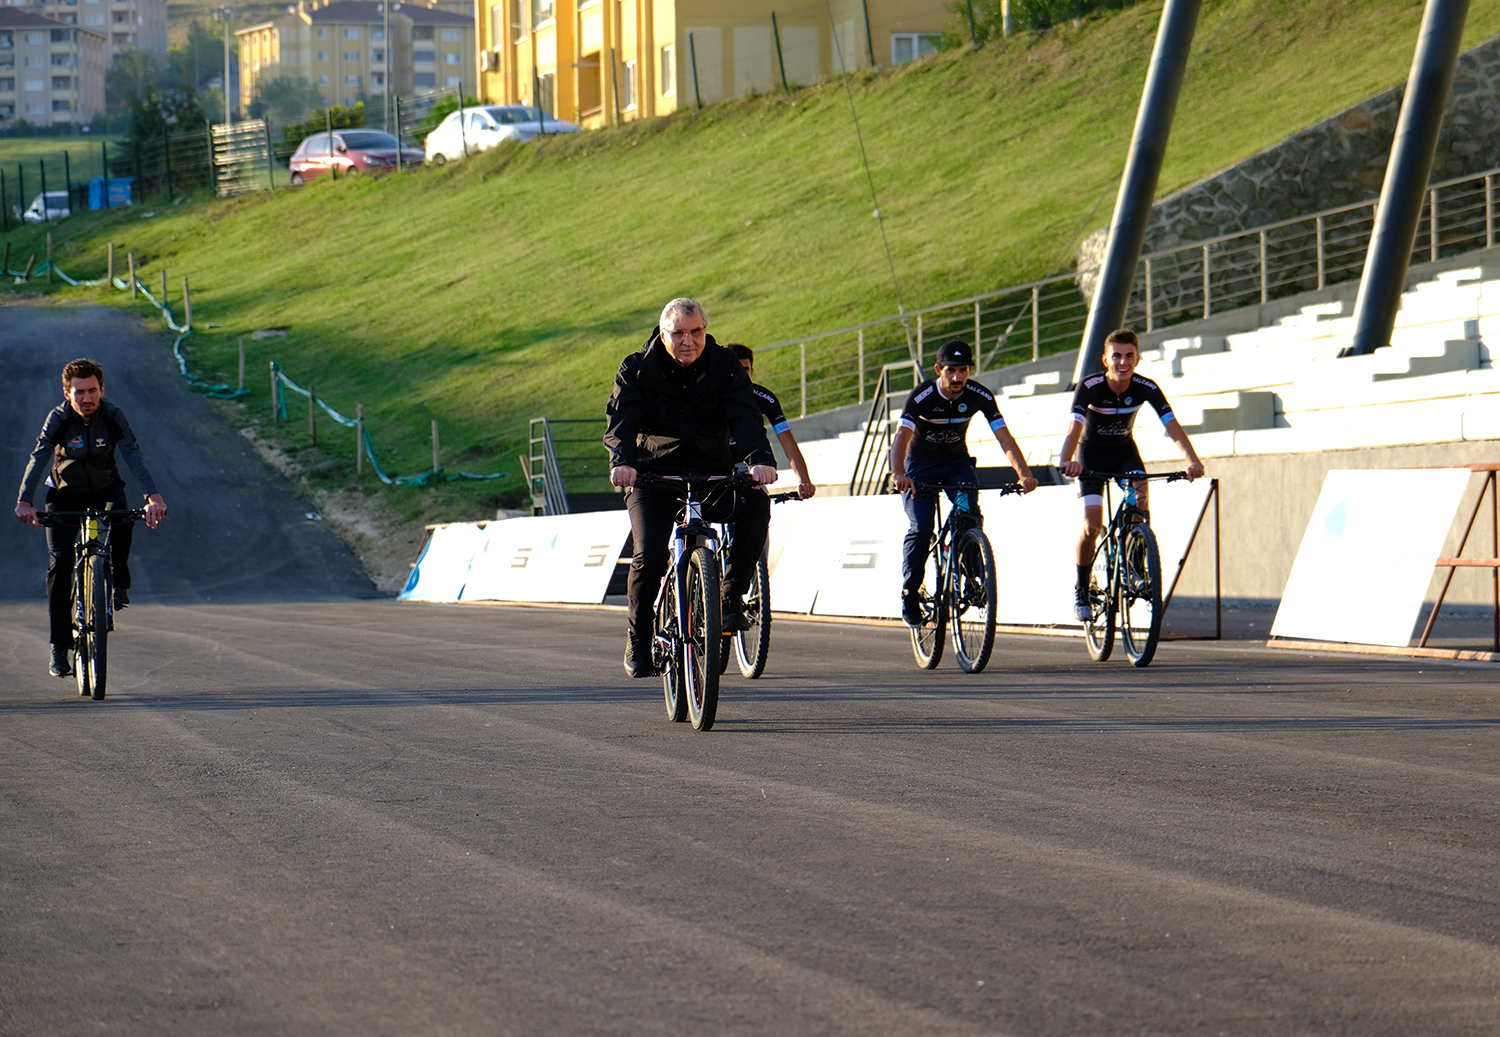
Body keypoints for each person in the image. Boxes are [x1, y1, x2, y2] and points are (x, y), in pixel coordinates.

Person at [605, 298, 778, 679]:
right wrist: (623, 462)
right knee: (649, 554)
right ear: (663, 333)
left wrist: (758, 458)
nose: (689, 341)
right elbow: (621, 420)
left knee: (755, 504)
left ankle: (730, 597)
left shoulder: (725, 365)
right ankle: (639, 635)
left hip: (711, 472)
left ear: (705, 330)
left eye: (696, 331)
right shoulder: (636, 368)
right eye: (679, 333)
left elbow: (744, 415)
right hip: (653, 476)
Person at [15, 358, 167, 678]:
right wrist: (25, 501)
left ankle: (119, 584)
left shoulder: (113, 416)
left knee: (124, 518)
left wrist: (153, 497)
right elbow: (40, 456)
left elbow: (133, 455)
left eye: (93, 391)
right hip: (64, 493)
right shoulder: (58, 419)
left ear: (102, 390)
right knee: (60, 566)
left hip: (104, 488)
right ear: (67, 393)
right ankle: (59, 647)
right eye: (80, 392)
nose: (87, 398)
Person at [1058, 328, 1204, 622]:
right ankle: (1082, 588)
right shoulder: (1090, 386)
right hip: (1090, 457)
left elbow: (1171, 424)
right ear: (1105, 359)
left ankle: (1136, 567)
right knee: (1092, 526)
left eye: (1129, 356)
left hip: (1124, 453)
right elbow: (1075, 427)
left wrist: (1193, 460)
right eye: (1116, 356)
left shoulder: (1145, 387)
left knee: (1141, 500)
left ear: (1137, 359)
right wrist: (1067, 459)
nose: (1122, 362)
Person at [890, 340, 1038, 626]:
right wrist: (898, 472)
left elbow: (1003, 435)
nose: (958, 377)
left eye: (964, 370)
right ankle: (910, 591)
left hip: (957, 466)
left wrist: (1024, 473)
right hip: (920, 467)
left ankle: (971, 578)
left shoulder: (978, 394)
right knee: (922, 527)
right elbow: (901, 438)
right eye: (951, 371)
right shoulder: (921, 396)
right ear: (938, 370)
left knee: (969, 515)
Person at [725, 343, 816, 499]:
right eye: (735, 369)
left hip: (748, 466)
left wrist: (804, 480)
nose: (740, 374)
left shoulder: (765, 398)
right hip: (715, 464)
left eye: (745, 369)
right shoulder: (709, 396)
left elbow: (787, 441)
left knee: (757, 503)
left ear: (752, 371)